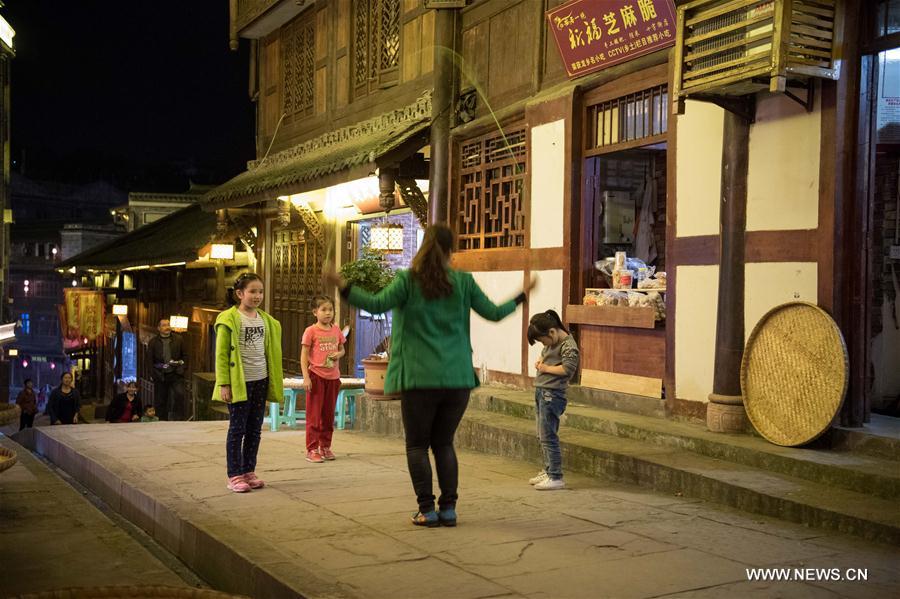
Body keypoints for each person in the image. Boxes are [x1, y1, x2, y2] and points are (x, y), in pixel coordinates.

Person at [324, 224, 536, 527]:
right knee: (444, 444)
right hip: (457, 378)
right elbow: (494, 313)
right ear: (451, 251)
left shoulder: (407, 281)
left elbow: (375, 304)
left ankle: (427, 509)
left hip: (419, 378)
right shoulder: (463, 282)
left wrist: (342, 284)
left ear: (423, 246)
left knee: (417, 445)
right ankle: (448, 509)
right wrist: (522, 296)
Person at [212, 272, 284, 493]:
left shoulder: (267, 321)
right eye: (252, 291)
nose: (257, 296)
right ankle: (234, 475)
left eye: (260, 291)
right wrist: (224, 383)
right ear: (239, 293)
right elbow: (221, 355)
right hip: (239, 383)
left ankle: (248, 471)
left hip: (261, 379)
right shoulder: (228, 319)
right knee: (237, 429)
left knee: (255, 429)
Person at [526, 310, 580, 491]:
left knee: (548, 436)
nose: (543, 344)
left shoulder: (569, 345)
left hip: (552, 395)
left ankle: (556, 476)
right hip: (542, 391)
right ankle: (548, 470)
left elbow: (567, 369)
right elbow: (546, 352)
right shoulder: (553, 342)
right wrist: (541, 361)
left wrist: (546, 368)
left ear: (552, 332)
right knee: (542, 435)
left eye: (543, 340)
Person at [300, 296, 346, 463]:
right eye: (323, 310)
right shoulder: (310, 331)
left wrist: (338, 354)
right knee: (314, 415)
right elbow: (303, 356)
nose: (328, 313)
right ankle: (312, 449)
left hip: (333, 378)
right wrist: (306, 378)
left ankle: (325, 446)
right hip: (316, 377)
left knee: (328, 415)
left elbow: (342, 349)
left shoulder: (336, 330)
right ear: (315, 312)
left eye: (330, 310)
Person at [148, 318, 187, 420]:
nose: (167, 327)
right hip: (160, 374)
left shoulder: (179, 339)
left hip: (176, 373)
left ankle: (179, 421)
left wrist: (182, 369)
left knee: (179, 396)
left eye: (168, 325)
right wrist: (153, 375)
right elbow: (149, 360)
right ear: (159, 328)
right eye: (164, 325)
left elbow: (185, 356)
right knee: (160, 400)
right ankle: (162, 421)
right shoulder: (153, 342)